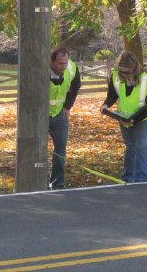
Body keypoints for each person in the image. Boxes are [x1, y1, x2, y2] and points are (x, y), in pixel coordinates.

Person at [100, 51, 147, 183]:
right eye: (121, 71)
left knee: (140, 145)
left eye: (127, 72)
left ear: (134, 69)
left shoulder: (145, 79)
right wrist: (106, 105)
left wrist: (134, 119)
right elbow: (112, 95)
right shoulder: (115, 75)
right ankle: (127, 178)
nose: (123, 75)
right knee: (130, 146)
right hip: (124, 117)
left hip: (144, 116)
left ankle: (141, 180)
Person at [49, 48, 81, 189]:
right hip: (39, 117)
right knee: (37, 150)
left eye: (65, 63)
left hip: (60, 115)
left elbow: (76, 85)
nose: (63, 66)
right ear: (51, 62)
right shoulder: (40, 70)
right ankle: (35, 182)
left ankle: (57, 183)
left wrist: (67, 106)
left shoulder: (71, 68)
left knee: (60, 149)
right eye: (60, 63)